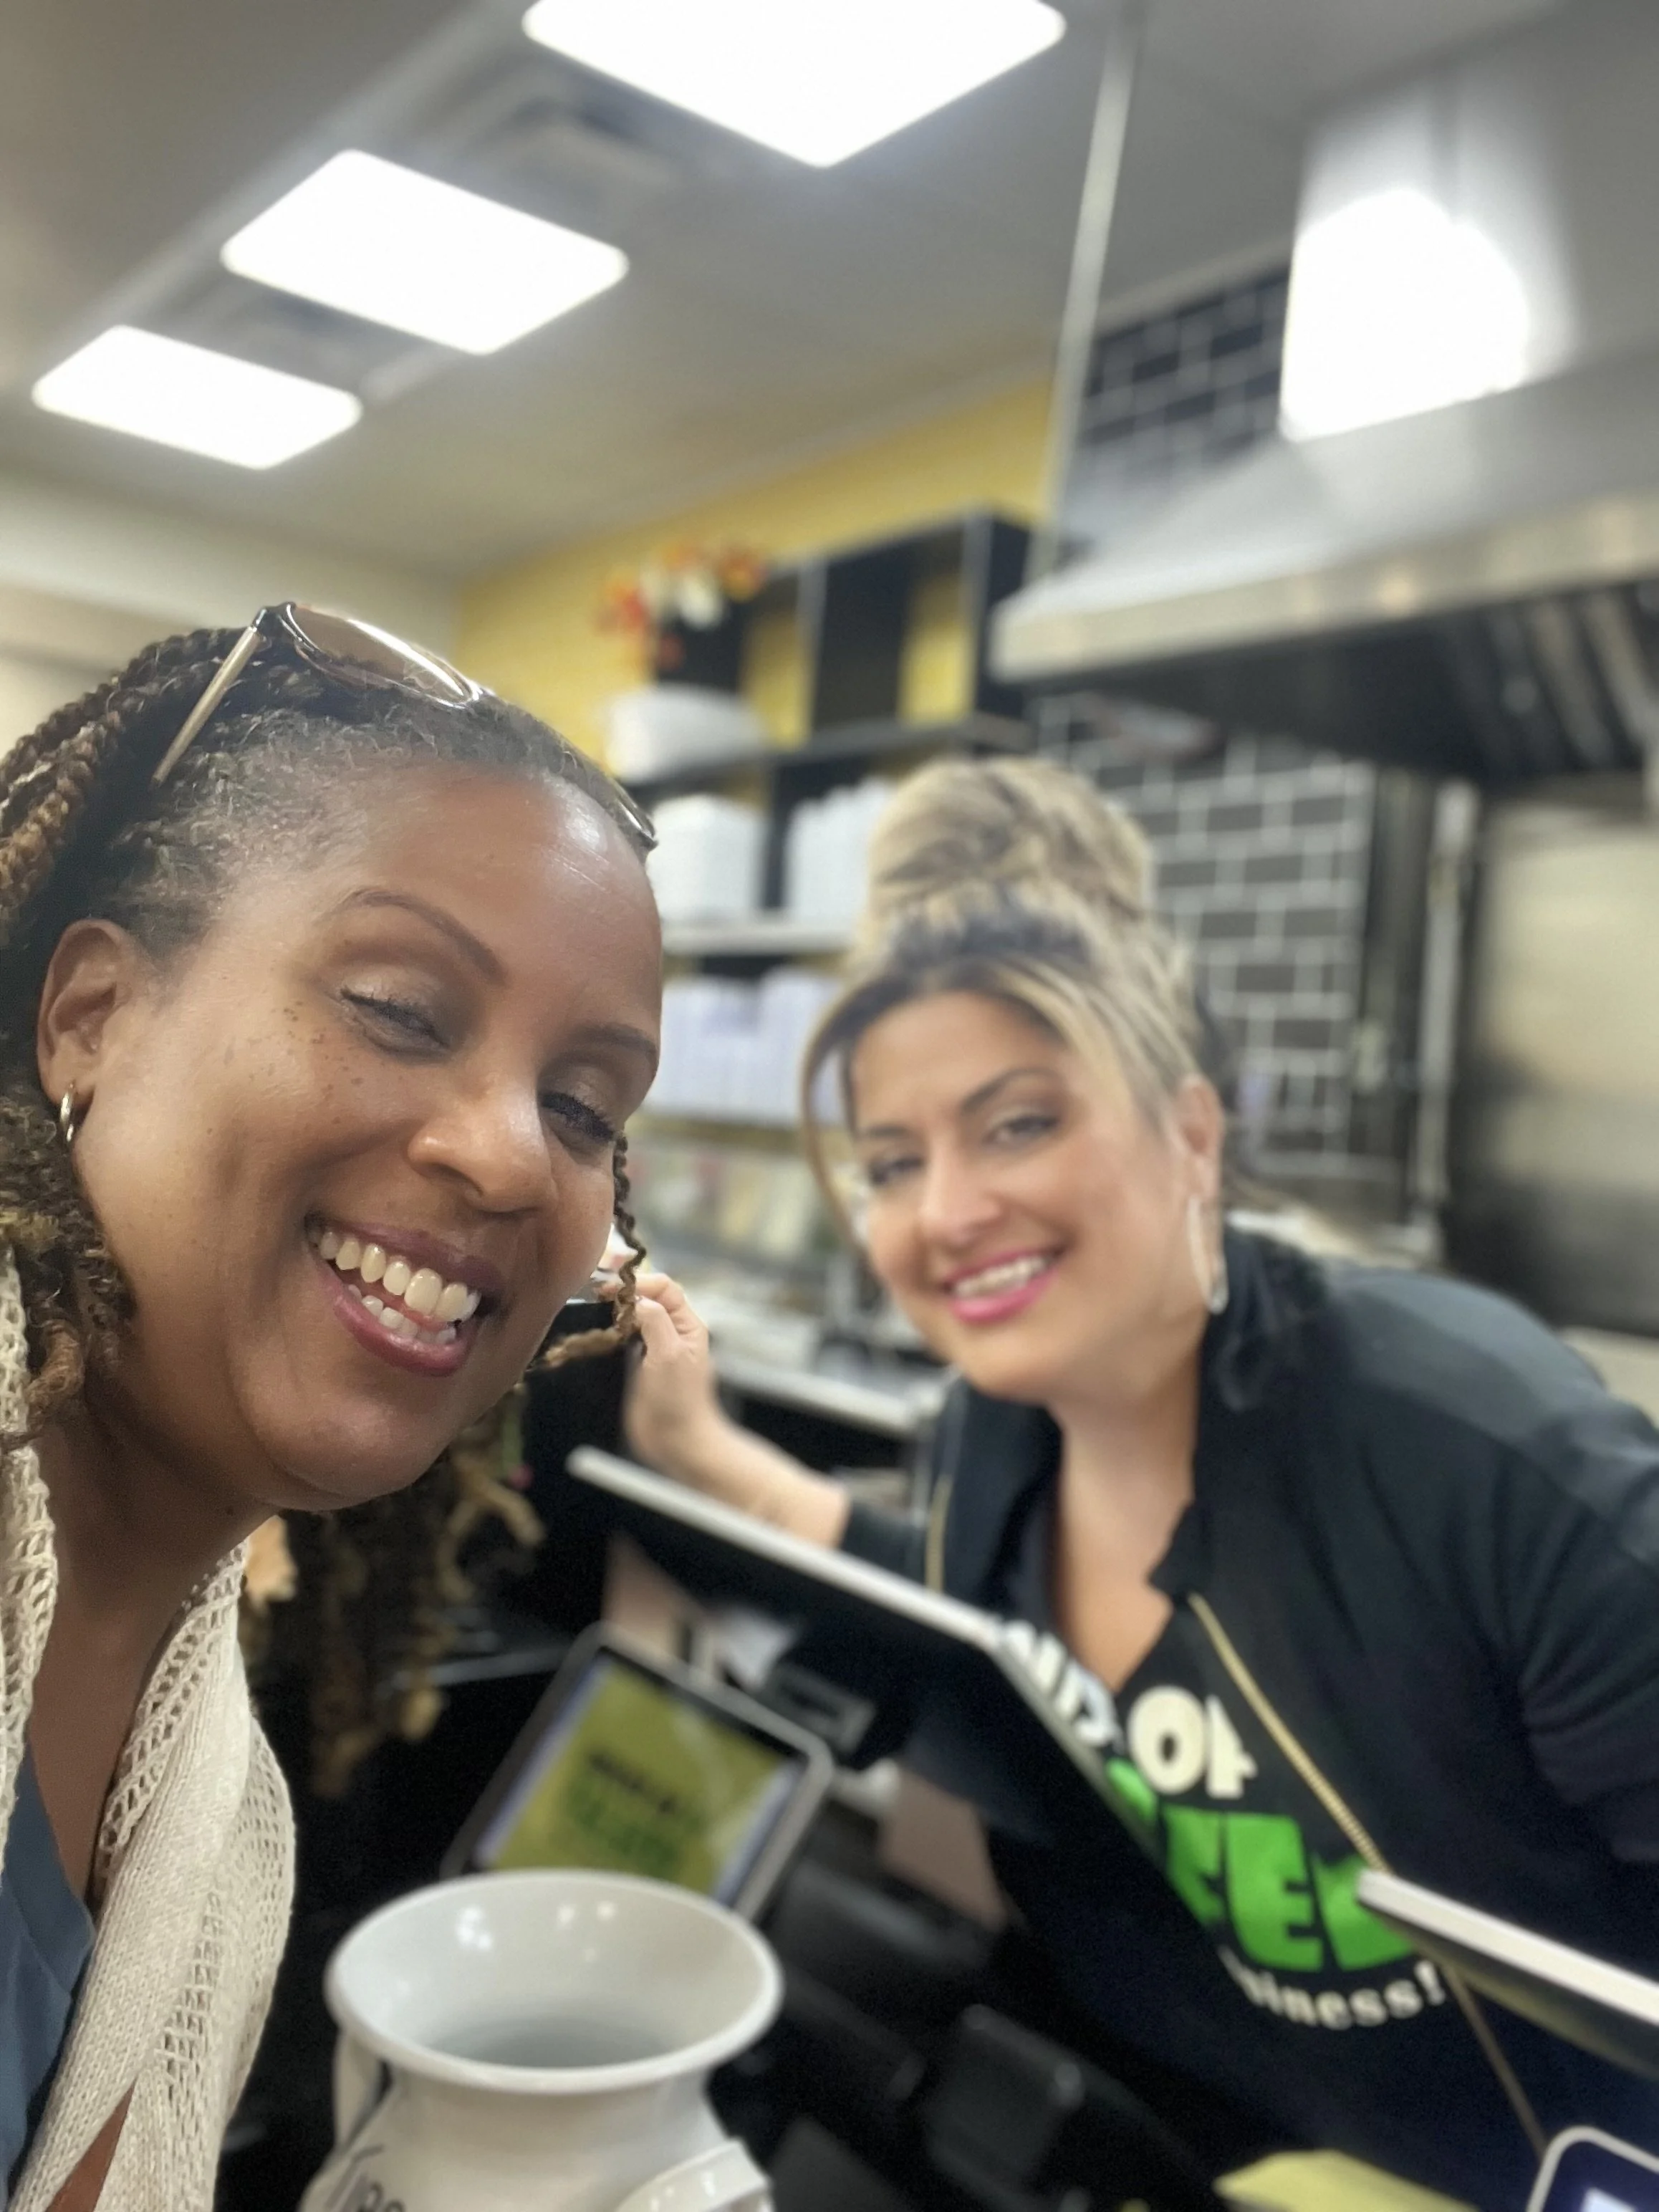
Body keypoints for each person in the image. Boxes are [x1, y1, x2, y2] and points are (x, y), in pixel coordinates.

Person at [622, 755, 1659, 2211]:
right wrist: (703, 1455)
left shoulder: (1473, 1451)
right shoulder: (993, 1432)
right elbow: (965, 1628)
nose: (948, 1211)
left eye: (1020, 1122)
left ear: (1193, 1131)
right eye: (892, 1160)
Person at [0, 607, 661, 2212]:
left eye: (584, 1105)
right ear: (91, 1017)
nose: (512, 1156)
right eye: (399, 1007)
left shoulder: (224, 1836)